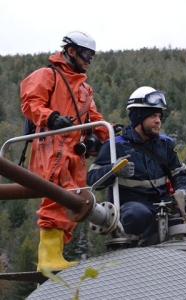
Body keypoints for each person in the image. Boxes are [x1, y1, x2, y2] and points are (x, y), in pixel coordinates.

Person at [20, 31, 113, 271]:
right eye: (86, 53)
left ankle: (56, 254)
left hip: (75, 152)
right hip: (51, 145)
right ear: (71, 51)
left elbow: (94, 118)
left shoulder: (83, 89)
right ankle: (48, 258)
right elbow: (30, 104)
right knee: (55, 197)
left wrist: (112, 134)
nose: (90, 59)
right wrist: (51, 118)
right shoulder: (47, 75)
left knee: (75, 202)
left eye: (93, 55)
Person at [87, 86, 186, 242]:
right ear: (138, 117)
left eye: (160, 116)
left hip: (164, 204)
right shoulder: (115, 145)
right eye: (153, 116)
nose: (158, 121)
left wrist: (182, 192)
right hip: (132, 207)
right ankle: (134, 250)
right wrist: (114, 170)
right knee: (139, 214)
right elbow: (92, 179)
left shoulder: (166, 144)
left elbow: (180, 175)